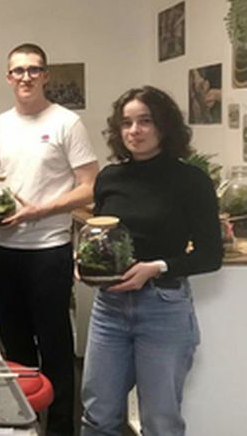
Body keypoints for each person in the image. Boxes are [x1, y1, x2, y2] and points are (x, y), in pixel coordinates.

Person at [81, 86, 222, 436]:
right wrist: (83, 261)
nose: (134, 130)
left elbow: (210, 255)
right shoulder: (109, 179)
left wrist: (155, 268)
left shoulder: (191, 181)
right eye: (126, 123)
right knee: (98, 417)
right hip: (109, 309)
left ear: (165, 126)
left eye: (145, 121)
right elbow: (102, 239)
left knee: (160, 421)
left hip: (163, 307)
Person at [0, 43, 99, 436]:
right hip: (1, 250)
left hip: (48, 250)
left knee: (54, 344)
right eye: (18, 70)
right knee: (14, 345)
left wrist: (40, 210)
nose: (26, 76)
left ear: (46, 75)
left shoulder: (67, 123)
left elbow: (90, 187)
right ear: (8, 77)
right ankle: (22, 426)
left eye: (34, 69)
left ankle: (62, 428)